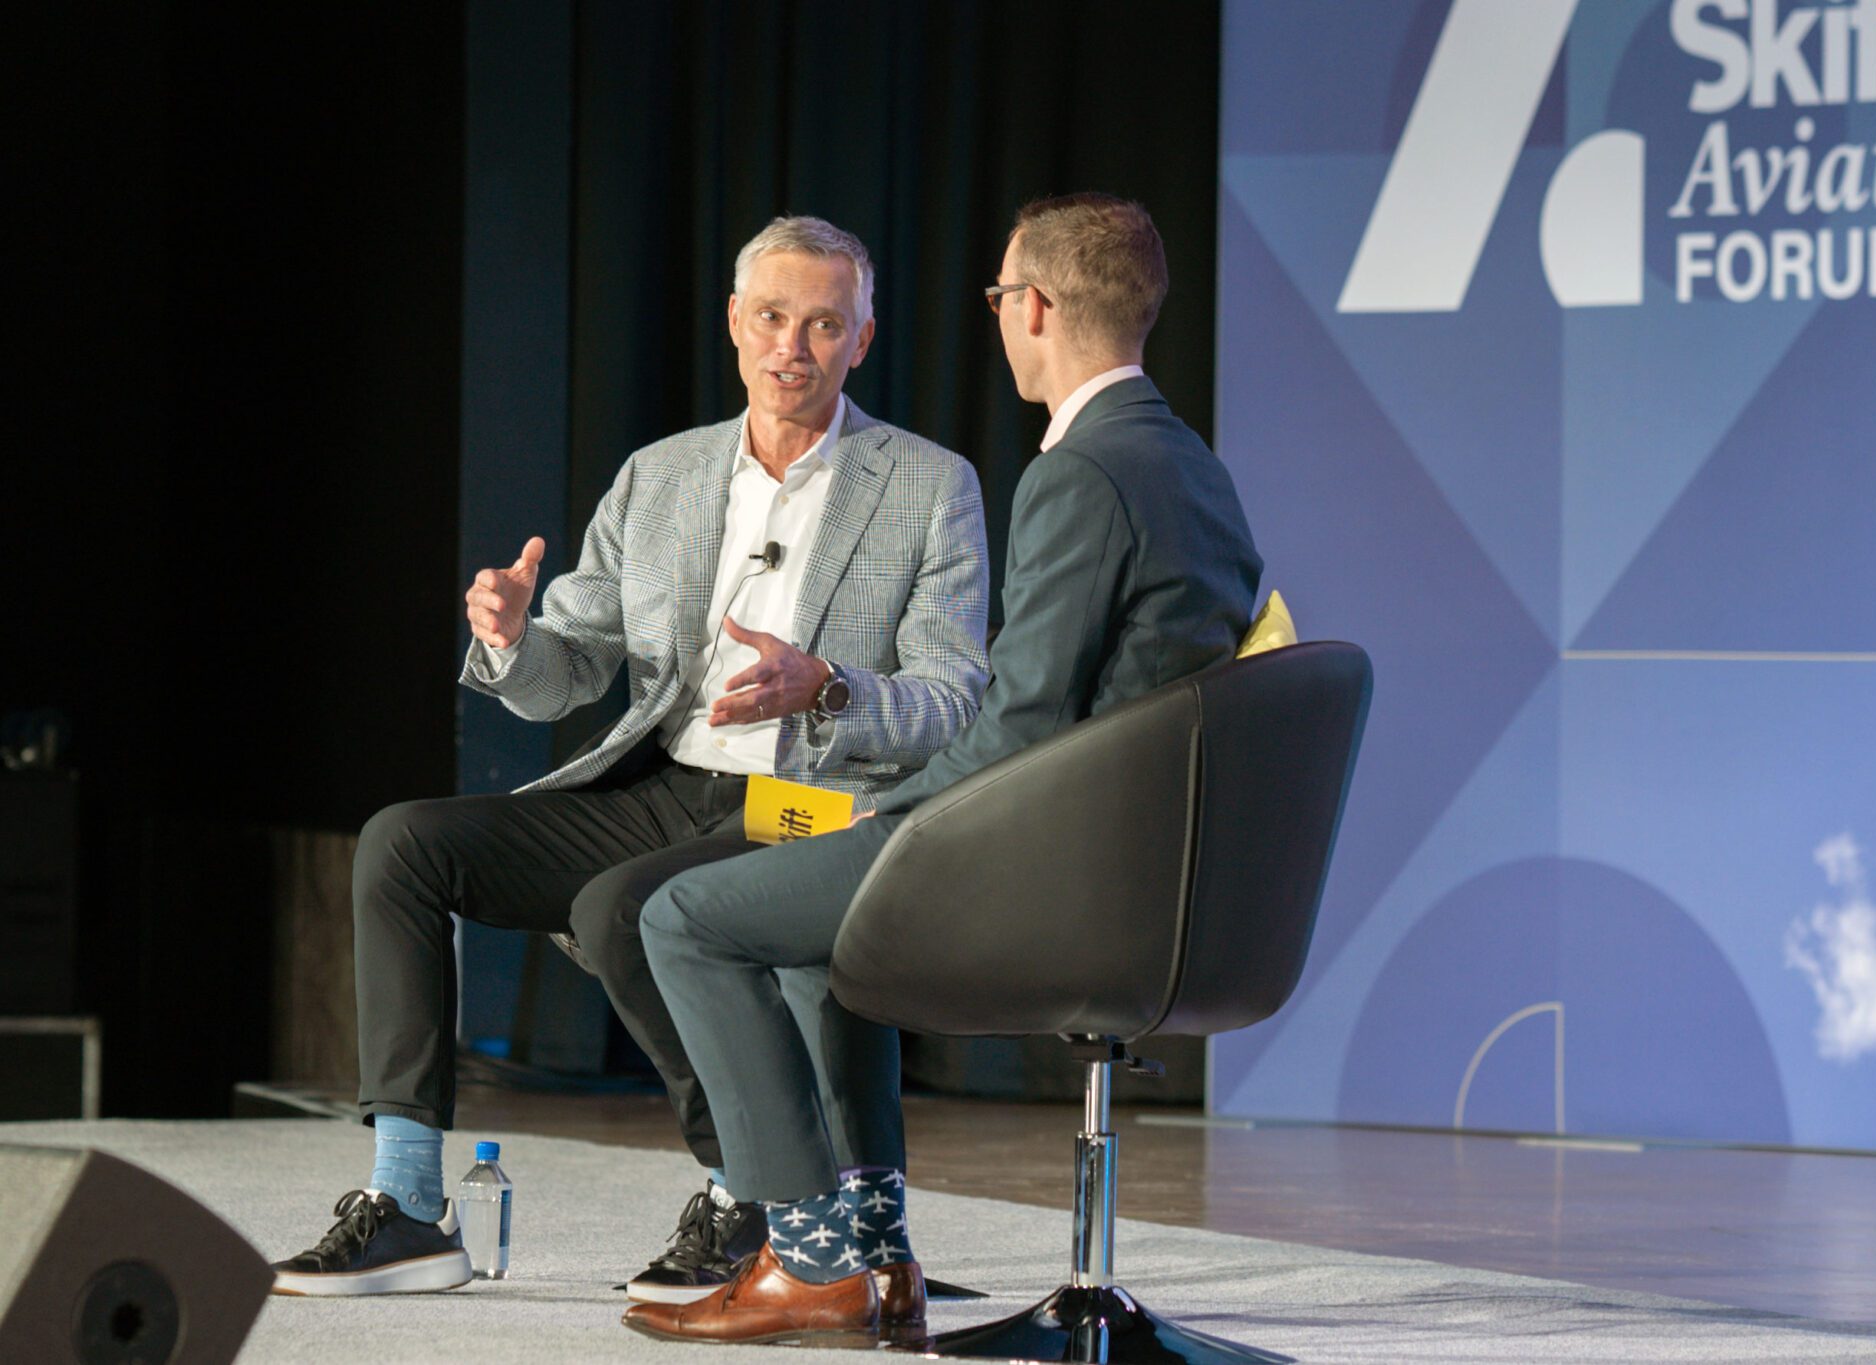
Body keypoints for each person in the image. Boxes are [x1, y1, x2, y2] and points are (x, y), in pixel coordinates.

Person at [268, 216, 990, 1298]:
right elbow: (572, 672)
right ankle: (409, 1199)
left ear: (862, 339)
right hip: (656, 783)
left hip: (801, 805)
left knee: (618, 909)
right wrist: (513, 638)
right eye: (772, 319)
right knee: (403, 844)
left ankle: (745, 1188)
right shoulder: (662, 476)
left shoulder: (927, 485)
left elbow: (951, 699)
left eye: (823, 324)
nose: (792, 346)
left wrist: (827, 686)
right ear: (734, 325)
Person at [625, 194, 1262, 1345]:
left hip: (1062, 873)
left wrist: (879, 821)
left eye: (999, 299)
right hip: (1167, 876)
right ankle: (878, 1251)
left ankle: (807, 1257)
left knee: (683, 919)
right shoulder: (1190, 464)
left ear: (1034, 308)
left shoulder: (1085, 471)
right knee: (805, 924)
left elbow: (1019, 722)